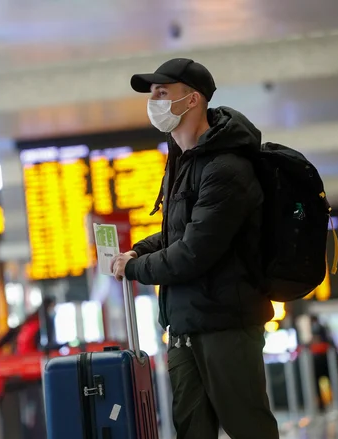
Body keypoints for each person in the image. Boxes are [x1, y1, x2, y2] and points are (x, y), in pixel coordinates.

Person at [111, 58, 279, 439]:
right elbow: (175, 236)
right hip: (185, 326)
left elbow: (194, 252)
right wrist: (137, 251)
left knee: (247, 428)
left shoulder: (227, 167)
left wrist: (136, 269)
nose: (153, 101)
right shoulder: (182, 163)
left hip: (226, 325)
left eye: (161, 93)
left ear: (192, 101)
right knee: (191, 431)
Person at [0, 297, 58, 415]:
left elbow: (11, 334)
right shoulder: (44, 322)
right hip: (31, 365)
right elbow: (45, 345)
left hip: (23, 364)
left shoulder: (31, 320)